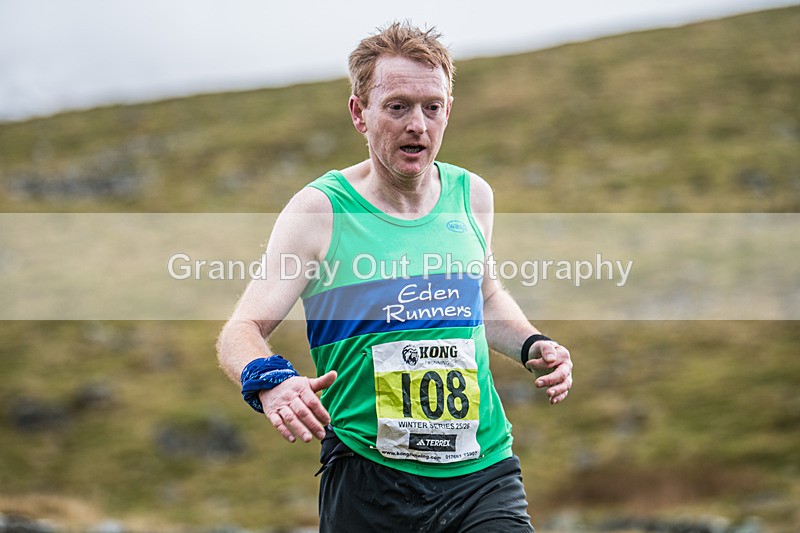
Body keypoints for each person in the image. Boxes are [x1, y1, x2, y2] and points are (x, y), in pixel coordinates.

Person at [216, 22, 573, 532]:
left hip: (483, 473)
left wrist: (532, 343)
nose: (417, 125)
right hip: (369, 477)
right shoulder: (321, 212)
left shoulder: (473, 196)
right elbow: (240, 331)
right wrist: (269, 381)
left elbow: (485, 296)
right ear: (360, 113)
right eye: (398, 106)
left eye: (432, 106)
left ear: (448, 110)